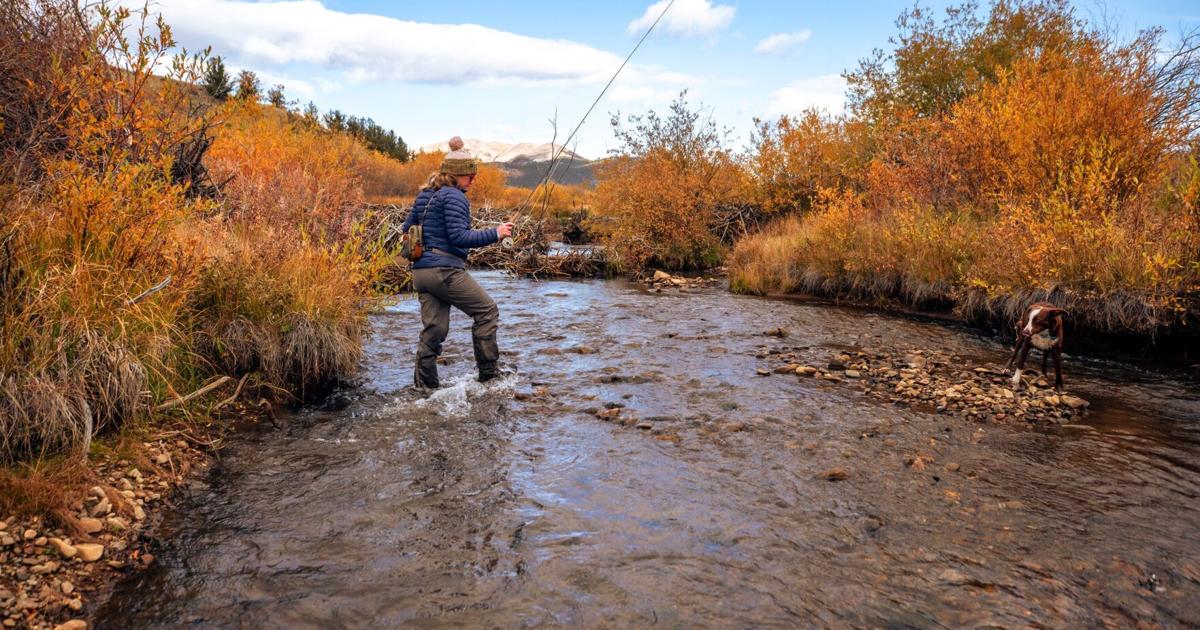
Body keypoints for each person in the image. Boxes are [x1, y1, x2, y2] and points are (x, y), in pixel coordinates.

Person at [400, 137, 514, 389]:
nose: (472, 180)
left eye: (473, 174)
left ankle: (425, 388)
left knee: (435, 331)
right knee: (487, 312)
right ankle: (489, 377)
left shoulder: (424, 196)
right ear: (454, 175)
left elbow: (406, 230)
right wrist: (496, 233)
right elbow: (459, 238)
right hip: (445, 271)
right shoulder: (455, 197)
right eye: (468, 175)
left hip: (421, 274)